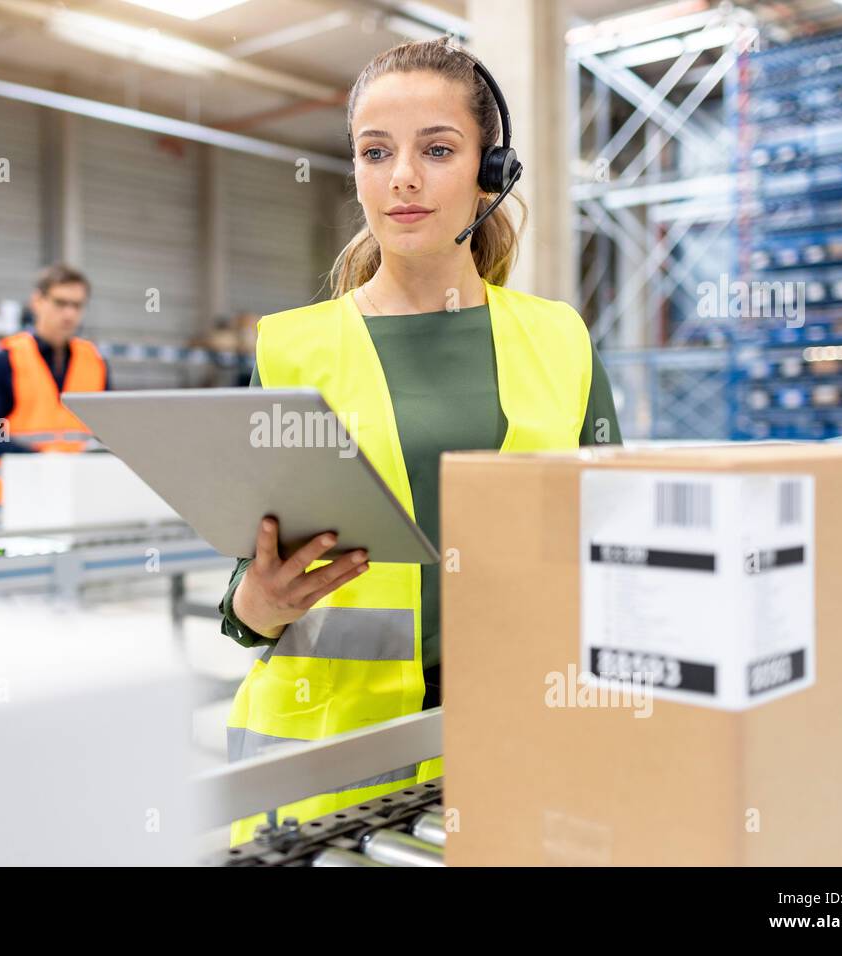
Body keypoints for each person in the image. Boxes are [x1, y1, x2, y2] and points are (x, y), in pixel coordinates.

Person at [216, 36, 622, 845]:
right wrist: (254, 605)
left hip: (522, 736)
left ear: (489, 172)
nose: (402, 176)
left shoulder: (561, 341)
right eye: (376, 152)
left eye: (437, 149)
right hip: (329, 760)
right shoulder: (292, 347)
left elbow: (618, 547)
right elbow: (249, 582)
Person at [0, 263, 110, 505]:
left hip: (74, 498)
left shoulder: (94, 361)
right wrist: (37, 457)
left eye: (77, 305)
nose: (69, 314)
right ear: (37, 301)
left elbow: (110, 431)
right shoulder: (7, 359)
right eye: (60, 303)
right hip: (12, 499)